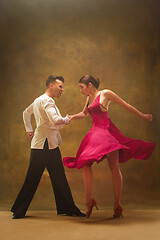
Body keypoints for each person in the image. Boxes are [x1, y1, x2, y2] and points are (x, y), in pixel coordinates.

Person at [63, 74, 155, 218]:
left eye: (82, 87)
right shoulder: (88, 98)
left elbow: (126, 105)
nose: (80, 91)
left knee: (114, 168)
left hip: (107, 133)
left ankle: (117, 205)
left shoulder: (105, 93)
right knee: (84, 163)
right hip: (95, 134)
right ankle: (89, 202)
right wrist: (73, 117)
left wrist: (142, 116)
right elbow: (84, 113)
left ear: (90, 86)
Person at [10, 75, 85, 219]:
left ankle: (69, 208)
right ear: (51, 85)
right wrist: (67, 119)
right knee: (33, 178)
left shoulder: (39, 100)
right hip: (43, 145)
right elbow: (56, 120)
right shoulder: (48, 101)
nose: (62, 89)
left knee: (59, 178)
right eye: (60, 86)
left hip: (50, 144)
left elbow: (26, 113)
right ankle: (19, 211)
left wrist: (29, 129)